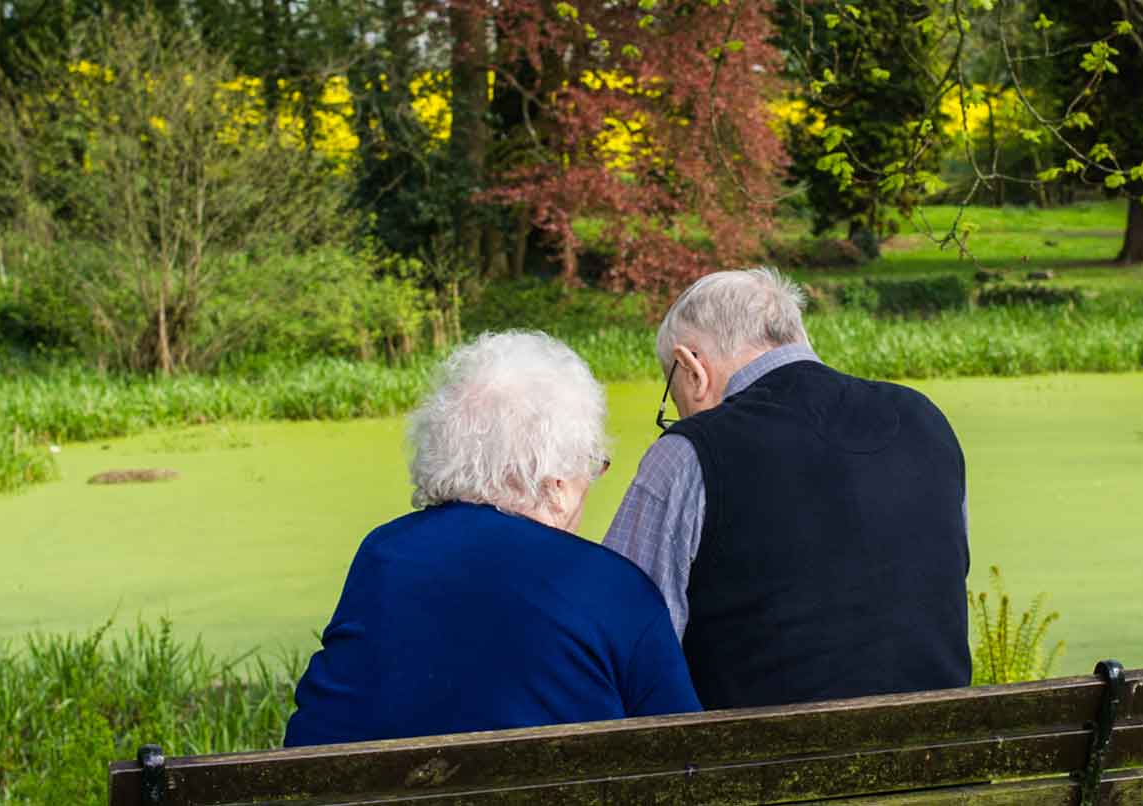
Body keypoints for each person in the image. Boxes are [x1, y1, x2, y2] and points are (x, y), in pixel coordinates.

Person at [284, 331, 700, 747]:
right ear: (555, 481)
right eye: (592, 466)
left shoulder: (383, 553)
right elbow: (687, 758)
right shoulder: (613, 588)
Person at [605, 268, 971, 710]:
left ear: (692, 367)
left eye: (673, 392)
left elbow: (619, 644)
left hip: (760, 771)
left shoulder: (689, 454)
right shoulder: (925, 421)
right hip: (935, 761)